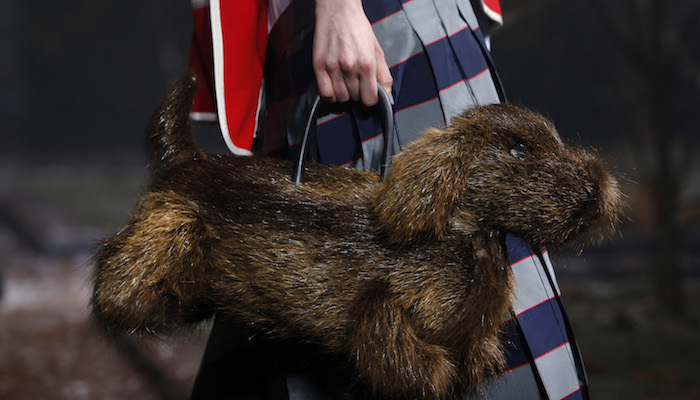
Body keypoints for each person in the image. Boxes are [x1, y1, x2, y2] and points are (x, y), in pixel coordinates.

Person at [187, 1, 589, 399]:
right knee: (296, 290)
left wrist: (339, 7)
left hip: (373, 24)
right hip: (302, 40)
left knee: (456, 294)